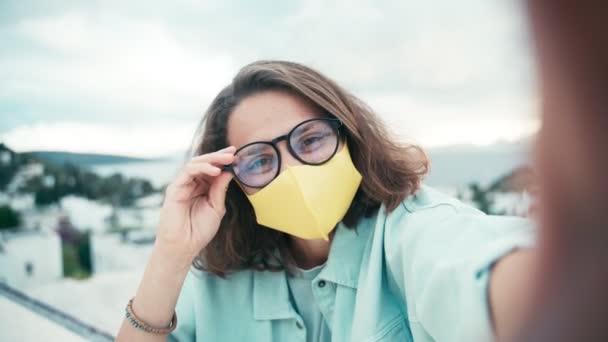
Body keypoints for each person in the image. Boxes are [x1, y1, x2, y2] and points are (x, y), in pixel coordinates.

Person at [115, 60, 536, 342]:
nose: (293, 172)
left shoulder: (414, 232)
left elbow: (490, 276)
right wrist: (171, 253)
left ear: (349, 137)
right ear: (233, 181)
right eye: (260, 159)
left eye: (311, 140)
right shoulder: (216, 280)